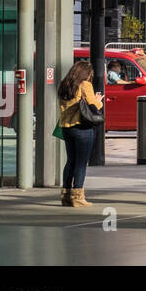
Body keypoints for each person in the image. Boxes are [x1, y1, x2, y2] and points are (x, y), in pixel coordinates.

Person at [57, 59, 104, 208]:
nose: (90, 77)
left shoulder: (64, 85)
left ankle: (66, 195)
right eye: (89, 74)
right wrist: (99, 101)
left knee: (70, 160)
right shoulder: (85, 85)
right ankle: (78, 197)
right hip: (82, 128)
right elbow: (93, 106)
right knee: (81, 163)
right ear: (86, 73)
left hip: (66, 127)